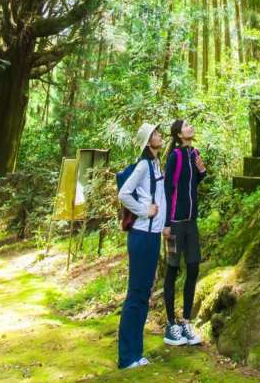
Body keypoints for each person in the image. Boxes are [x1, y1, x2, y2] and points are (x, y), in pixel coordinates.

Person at [117, 122, 167, 369]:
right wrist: (144, 211)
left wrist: (164, 224)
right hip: (141, 236)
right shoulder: (143, 165)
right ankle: (126, 357)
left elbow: (160, 197)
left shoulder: (156, 164)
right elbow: (124, 194)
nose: (160, 135)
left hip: (153, 235)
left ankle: (136, 352)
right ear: (149, 142)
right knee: (135, 294)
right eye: (156, 134)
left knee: (143, 295)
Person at [162, 118, 206, 346]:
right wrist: (167, 222)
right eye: (187, 125)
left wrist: (202, 171)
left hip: (191, 222)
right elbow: (168, 189)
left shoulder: (194, 153)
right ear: (179, 134)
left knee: (193, 267)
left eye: (191, 124)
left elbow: (192, 184)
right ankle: (171, 324)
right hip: (176, 223)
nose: (191, 126)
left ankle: (186, 322)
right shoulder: (175, 157)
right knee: (172, 269)